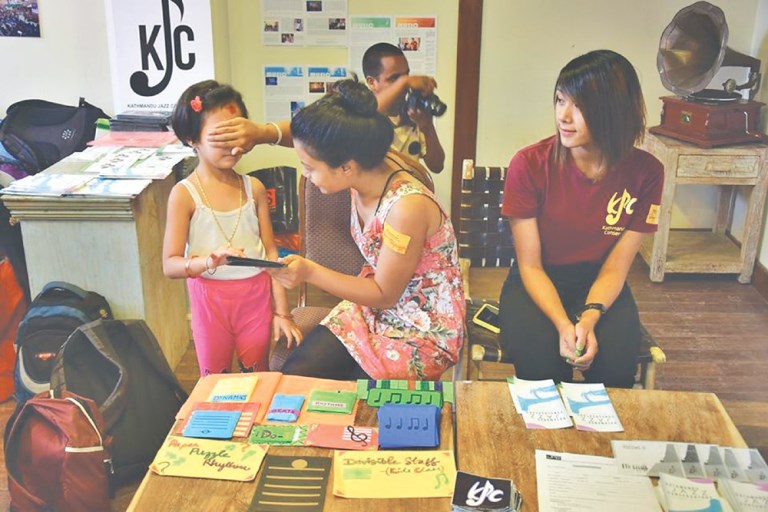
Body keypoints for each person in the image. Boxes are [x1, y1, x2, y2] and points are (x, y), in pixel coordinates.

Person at [267, 78, 465, 381]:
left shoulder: (406, 208)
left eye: (309, 167)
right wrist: (261, 133)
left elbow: (384, 294)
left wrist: (308, 271)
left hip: (421, 326)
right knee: (296, 377)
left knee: (358, 400)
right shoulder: (364, 157)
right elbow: (356, 119)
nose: (307, 177)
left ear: (346, 166)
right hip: (372, 307)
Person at [499, 50, 664, 389]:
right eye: (560, 100)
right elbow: (530, 265)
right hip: (537, 280)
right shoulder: (529, 165)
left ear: (614, 111)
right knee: (542, 370)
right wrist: (564, 325)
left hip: (600, 282)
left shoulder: (647, 173)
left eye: (580, 106)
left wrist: (588, 319)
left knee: (615, 370)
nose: (563, 116)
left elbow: (616, 267)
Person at [162, 80, 302, 376]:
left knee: (258, 373)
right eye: (221, 136)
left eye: (237, 133)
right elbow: (170, 265)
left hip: (255, 297)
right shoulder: (184, 194)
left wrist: (282, 312)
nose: (234, 145)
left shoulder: (255, 188)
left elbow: (271, 255)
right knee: (214, 379)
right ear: (192, 138)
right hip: (209, 300)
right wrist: (207, 262)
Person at [362, 42, 445, 174]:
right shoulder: (359, 116)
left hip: (410, 186)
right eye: (394, 78)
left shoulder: (412, 112)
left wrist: (427, 127)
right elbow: (365, 115)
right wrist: (405, 81)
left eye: (406, 75)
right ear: (372, 82)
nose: (405, 85)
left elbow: (437, 166)